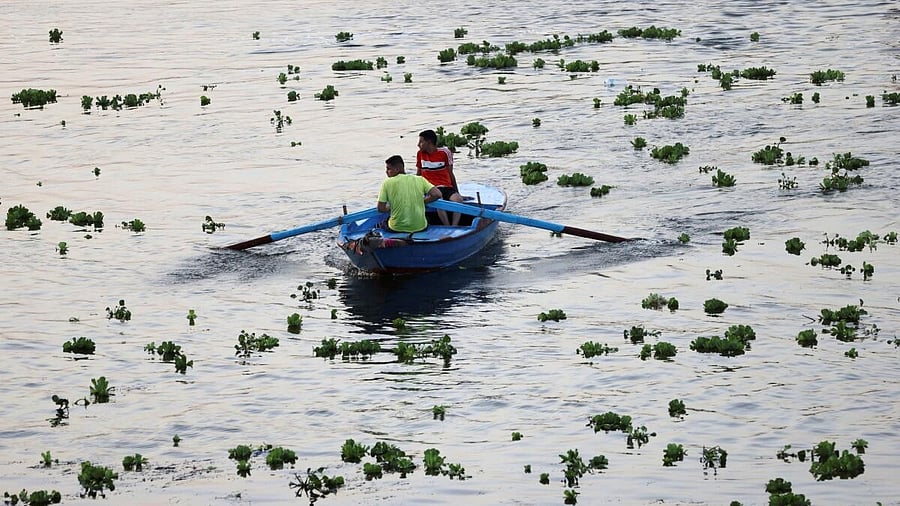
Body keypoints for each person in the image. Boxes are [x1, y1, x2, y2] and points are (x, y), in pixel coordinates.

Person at [378, 155, 442, 234]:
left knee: (381, 224)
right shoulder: (420, 179)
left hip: (396, 228)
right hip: (420, 227)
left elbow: (380, 208)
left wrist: (390, 207)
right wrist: (423, 201)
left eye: (388, 169)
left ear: (397, 169)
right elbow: (437, 194)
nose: (386, 172)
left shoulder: (387, 183)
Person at [416, 129, 463, 226]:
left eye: (421, 141)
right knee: (439, 200)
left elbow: (451, 173)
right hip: (431, 188)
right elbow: (418, 175)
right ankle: (446, 225)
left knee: (458, 200)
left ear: (429, 142)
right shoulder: (420, 154)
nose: (418, 144)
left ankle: (454, 226)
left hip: (446, 186)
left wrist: (457, 191)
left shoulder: (445, 152)